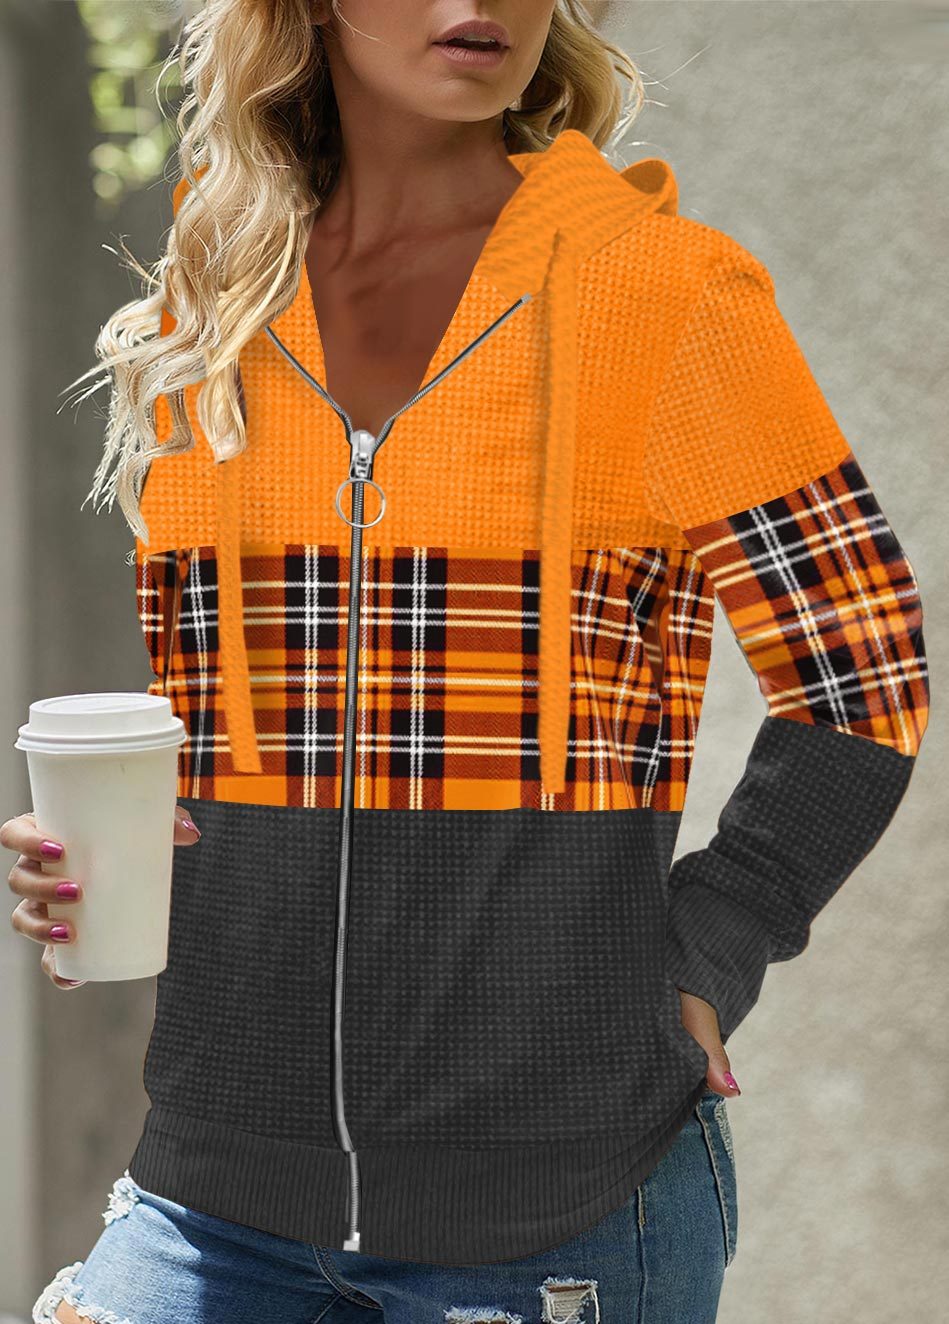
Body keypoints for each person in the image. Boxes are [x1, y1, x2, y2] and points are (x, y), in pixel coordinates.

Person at [8, 1, 929, 1320]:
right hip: (213, 1193)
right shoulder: (207, 315)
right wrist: (102, 856)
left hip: (554, 1211)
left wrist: (714, 945)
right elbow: (230, 739)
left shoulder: (666, 297)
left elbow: (861, 671)